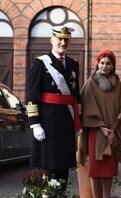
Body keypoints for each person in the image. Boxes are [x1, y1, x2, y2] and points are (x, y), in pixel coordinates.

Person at [77, 50, 121, 198]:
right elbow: (86, 108)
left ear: (113, 65)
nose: (105, 66)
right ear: (97, 64)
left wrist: (116, 124)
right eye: (102, 63)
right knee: (95, 168)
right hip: (96, 131)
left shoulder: (117, 84)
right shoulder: (90, 84)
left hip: (113, 132)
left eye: (108, 63)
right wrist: (101, 127)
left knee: (109, 169)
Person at [26, 26, 82, 187]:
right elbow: (31, 95)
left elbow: (75, 95)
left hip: (66, 120)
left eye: (66, 40)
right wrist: (35, 123)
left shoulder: (73, 64)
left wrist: (78, 120)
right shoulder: (41, 63)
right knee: (47, 164)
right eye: (59, 39)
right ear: (52, 40)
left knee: (63, 164)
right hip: (47, 120)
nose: (63, 42)